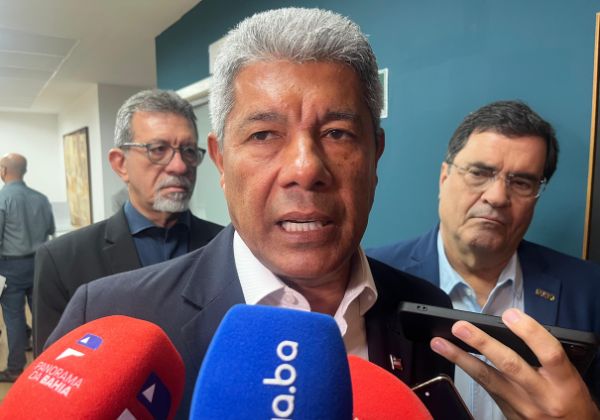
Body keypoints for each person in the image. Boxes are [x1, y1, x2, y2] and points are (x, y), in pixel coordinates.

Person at [48, 10, 599, 420]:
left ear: (376, 155)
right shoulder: (110, 316)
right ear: (220, 160)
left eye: (337, 134)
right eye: (264, 135)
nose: (305, 168)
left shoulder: (422, 309)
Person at [368, 100, 600, 419]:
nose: (497, 197)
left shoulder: (590, 290)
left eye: (521, 182)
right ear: (444, 178)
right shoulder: (371, 279)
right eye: (479, 173)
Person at [32, 90, 223, 356]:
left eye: (189, 150)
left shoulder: (227, 245)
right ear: (120, 164)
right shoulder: (62, 260)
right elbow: (54, 371)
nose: (179, 166)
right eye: (158, 150)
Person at [0, 153, 54, 382]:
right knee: (41, 314)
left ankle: (15, 368)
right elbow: (50, 230)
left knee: (13, 316)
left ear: (3, 170)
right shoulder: (41, 198)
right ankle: (46, 362)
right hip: (40, 262)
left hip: (10, 266)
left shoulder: (2, 199)